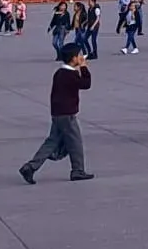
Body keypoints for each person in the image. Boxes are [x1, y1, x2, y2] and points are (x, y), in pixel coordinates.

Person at [19, 40, 94, 182]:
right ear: (73, 59)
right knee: (75, 143)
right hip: (67, 114)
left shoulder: (60, 72)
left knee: (52, 142)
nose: (81, 58)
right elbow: (86, 84)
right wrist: (84, 68)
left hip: (58, 113)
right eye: (79, 55)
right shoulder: (70, 75)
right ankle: (77, 170)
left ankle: (30, 166)